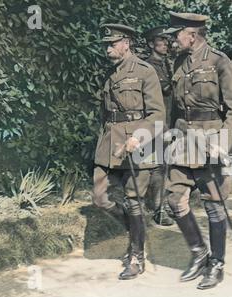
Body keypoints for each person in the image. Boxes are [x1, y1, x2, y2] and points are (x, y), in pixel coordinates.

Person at [163, 12, 232, 290]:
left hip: (211, 140)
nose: (173, 40)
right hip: (183, 140)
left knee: (213, 205)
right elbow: (175, 107)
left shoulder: (220, 61)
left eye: (176, 35)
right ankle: (199, 253)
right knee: (175, 200)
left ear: (192, 35)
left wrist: (223, 142)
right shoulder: (179, 61)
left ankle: (217, 264)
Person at [92, 23, 165, 279]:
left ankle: (137, 256)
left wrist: (139, 137)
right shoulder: (110, 74)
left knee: (134, 201)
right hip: (111, 144)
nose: (107, 49)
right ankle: (135, 233)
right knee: (100, 197)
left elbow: (158, 115)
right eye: (105, 45)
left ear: (126, 42)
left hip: (138, 146)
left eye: (111, 44)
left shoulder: (145, 71)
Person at [143, 25, 175, 226]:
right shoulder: (149, 66)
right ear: (150, 44)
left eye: (166, 41)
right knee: (158, 165)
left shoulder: (167, 64)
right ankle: (158, 209)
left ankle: (162, 203)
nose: (165, 44)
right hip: (157, 122)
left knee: (168, 163)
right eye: (160, 41)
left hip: (170, 119)